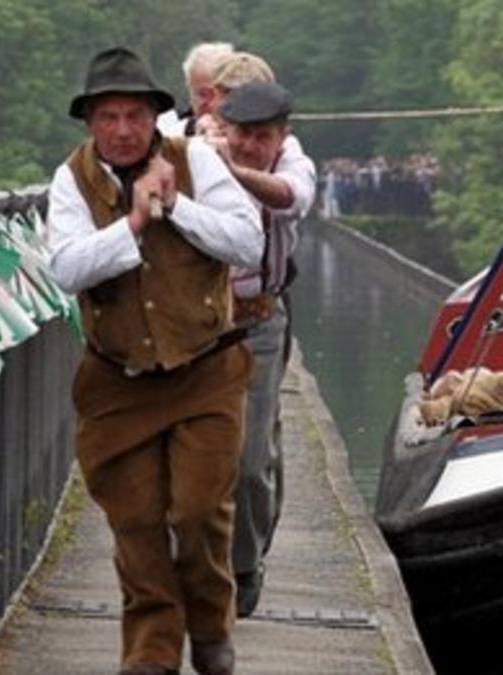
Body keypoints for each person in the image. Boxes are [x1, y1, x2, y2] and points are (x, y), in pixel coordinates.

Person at [46, 46, 262, 675]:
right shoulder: (71, 180)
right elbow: (65, 269)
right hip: (118, 380)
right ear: (90, 122)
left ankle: (211, 624)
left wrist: (178, 207)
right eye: (108, 117)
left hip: (206, 369)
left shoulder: (195, 160)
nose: (122, 130)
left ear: (154, 117)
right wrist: (135, 222)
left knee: (198, 512)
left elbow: (247, 241)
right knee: (135, 521)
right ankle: (152, 651)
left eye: (134, 116)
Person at [210, 79, 316, 618]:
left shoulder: (292, 163)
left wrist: (228, 171)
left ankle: (246, 565)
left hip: (257, 325)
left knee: (251, 462)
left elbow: (291, 199)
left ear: (281, 136)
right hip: (196, 325)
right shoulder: (198, 151)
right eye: (241, 135)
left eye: (262, 137)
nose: (250, 146)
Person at [156, 41, 235, 137]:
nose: (212, 103)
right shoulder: (169, 127)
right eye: (203, 94)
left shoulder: (247, 132)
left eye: (221, 94)